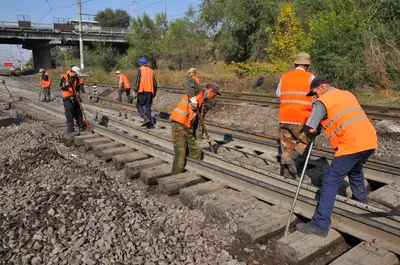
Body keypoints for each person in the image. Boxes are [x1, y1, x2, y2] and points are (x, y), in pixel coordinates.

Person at [296, 76, 377, 237]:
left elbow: (311, 128)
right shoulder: (346, 94)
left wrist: (312, 128)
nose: (315, 96)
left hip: (351, 144)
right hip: (369, 140)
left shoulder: (323, 101)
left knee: (330, 180)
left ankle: (320, 224)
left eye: (315, 92)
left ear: (322, 87)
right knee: (355, 170)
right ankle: (360, 204)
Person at [170, 74, 221, 175]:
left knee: (195, 151)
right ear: (211, 91)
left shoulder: (203, 101)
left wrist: (204, 137)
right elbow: (186, 79)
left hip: (186, 127)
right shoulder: (199, 90)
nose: (214, 97)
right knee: (181, 153)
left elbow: (197, 123)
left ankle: (193, 171)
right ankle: (175, 176)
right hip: (178, 123)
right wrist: (193, 98)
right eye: (214, 95)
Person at [276, 52, 315, 179]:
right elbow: (317, 96)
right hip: (302, 118)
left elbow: (278, 93)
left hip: (284, 117)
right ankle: (295, 166)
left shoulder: (285, 76)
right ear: (307, 65)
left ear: (295, 63)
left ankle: (286, 174)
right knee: (304, 142)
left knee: (287, 146)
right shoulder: (310, 77)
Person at [60, 66, 86, 137]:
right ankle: (70, 130)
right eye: (76, 73)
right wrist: (68, 83)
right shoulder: (64, 77)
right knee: (69, 113)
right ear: (72, 72)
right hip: (67, 97)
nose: (77, 75)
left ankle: (81, 125)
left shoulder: (76, 77)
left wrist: (78, 92)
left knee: (78, 111)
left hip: (75, 96)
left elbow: (77, 87)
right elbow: (62, 87)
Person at [134, 57, 157, 127]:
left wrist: (135, 90)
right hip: (150, 91)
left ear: (140, 63)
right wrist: (154, 93)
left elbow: (137, 81)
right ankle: (150, 124)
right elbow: (155, 84)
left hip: (142, 91)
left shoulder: (140, 69)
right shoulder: (151, 70)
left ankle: (145, 118)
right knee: (148, 107)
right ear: (146, 63)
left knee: (138, 105)